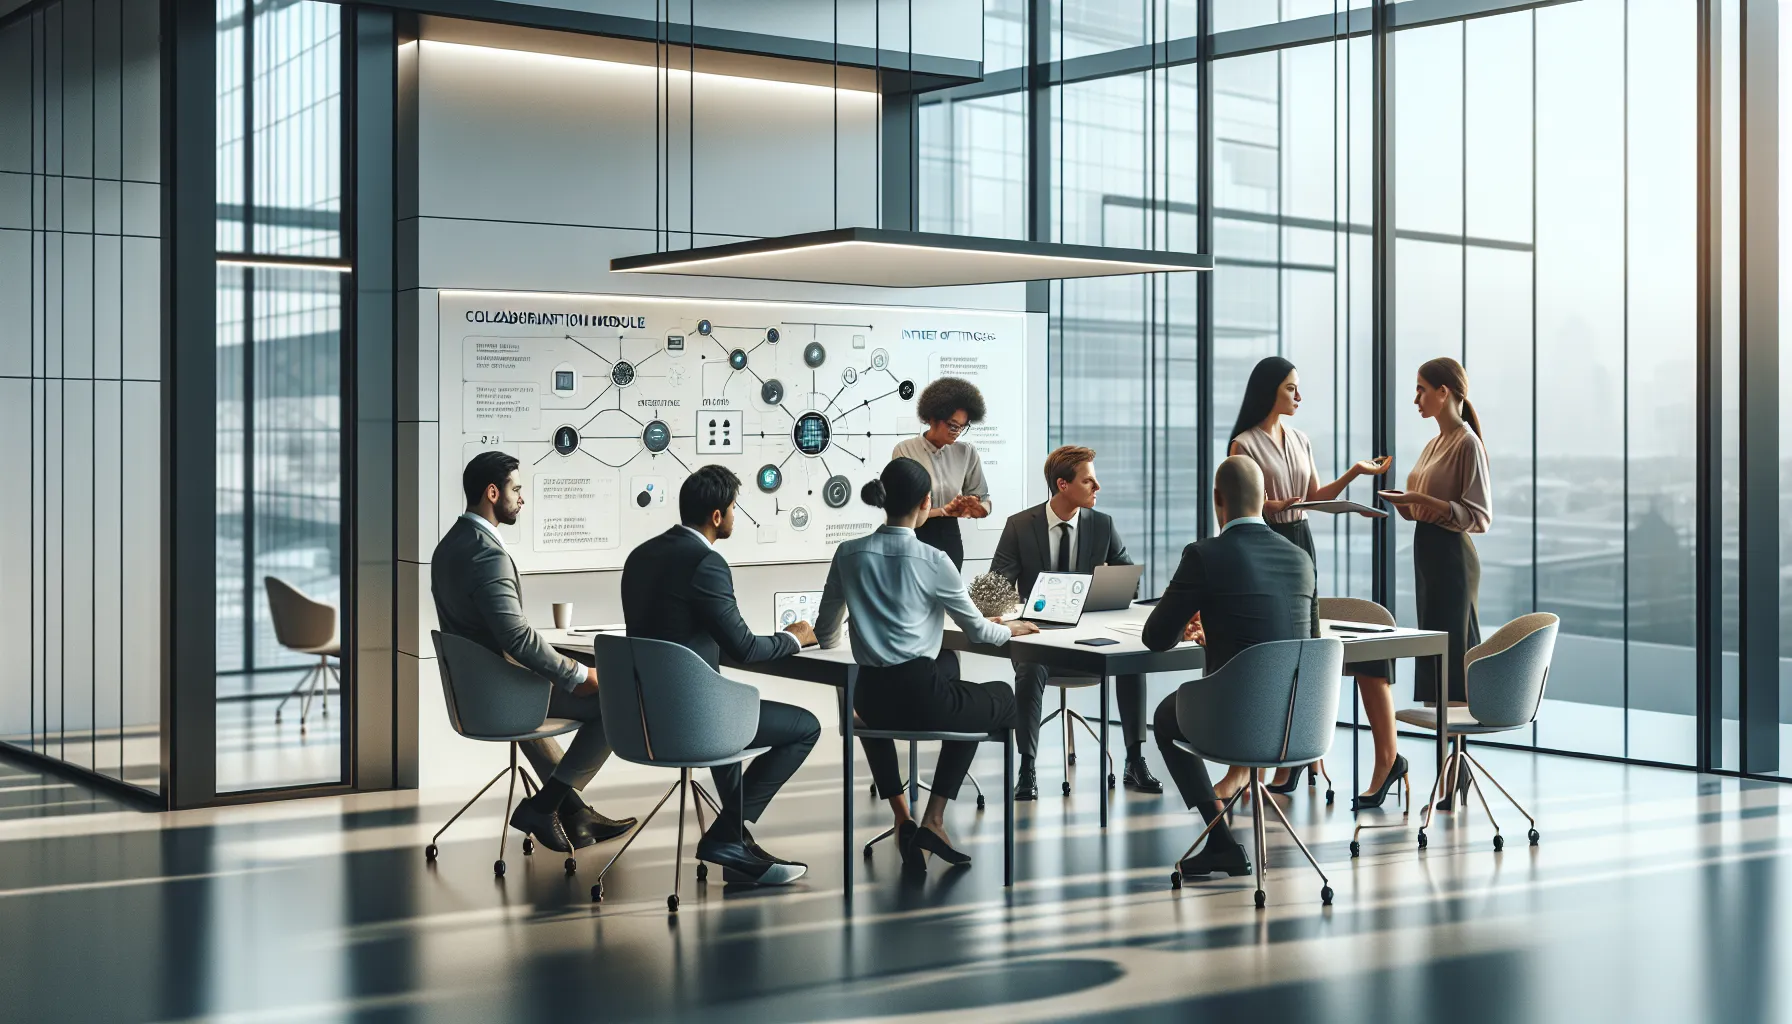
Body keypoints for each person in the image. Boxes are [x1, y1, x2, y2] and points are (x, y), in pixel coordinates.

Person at [815, 458, 1038, 870]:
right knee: (1001, 698)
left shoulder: (847, 553)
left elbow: (827, 632)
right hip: (920, 697)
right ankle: (934, 819)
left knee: (937, 677)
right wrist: (1012, 628)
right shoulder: (934, 560)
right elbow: (980, 633)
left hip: (867, 699)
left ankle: (902, 817)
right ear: (926, 502)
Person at [621, 465, 822, 887]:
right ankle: (726, 836)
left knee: (728, 705)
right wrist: (794, 637)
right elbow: (744, 648)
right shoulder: (705, 562)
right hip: (693, 721)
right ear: (717, 516)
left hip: (641, 718)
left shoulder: (639, 556)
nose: (735, 516)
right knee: (805, 726)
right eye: (733, 508)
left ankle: (738, 850)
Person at [431, 451, 637, 855]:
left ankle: (576, 813)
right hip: (503, 697)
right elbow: (517, 639)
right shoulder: (485, 554)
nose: (522, 499)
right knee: (620, 699)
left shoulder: (448, 547)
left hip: (477, 691)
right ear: (493, 492)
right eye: (516, 489)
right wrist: (578, 675)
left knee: (556, 687)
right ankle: (544, 806)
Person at [1140, 456, 1318, 880]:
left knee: (1166, 717)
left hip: (1236, 723)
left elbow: (1155, 638)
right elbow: (1305, 644)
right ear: (1263, 500)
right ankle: (1221, 840)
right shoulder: (1300, 558)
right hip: (1300, 723)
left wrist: (1189, 621)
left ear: (1218, 499)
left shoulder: (1205, 554)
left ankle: (1220, 842)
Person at [1226, 355, 1390, 801]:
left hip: (1300, 540)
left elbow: (1314, 497)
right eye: (1291, 388)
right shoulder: (1244, 444)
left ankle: (1298, 751)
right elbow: (1241, 505)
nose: (1299, 396)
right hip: (1265, 542)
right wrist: (1272, 507)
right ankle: (1271, 754)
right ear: (1269, 391)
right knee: (1277, 645)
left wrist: (1356, 473)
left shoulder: (1300, 438)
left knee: (1308, 640)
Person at [990, 445, 1161, 800]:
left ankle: (1135, 759)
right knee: (1031, 665)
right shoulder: (1020, 526)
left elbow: (1131, 580)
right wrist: (1018, 610)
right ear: (1062, 484)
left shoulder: (1102, 525)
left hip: (1089, 637)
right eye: (1089, 481)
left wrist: (1105, 587)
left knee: (1132, 661)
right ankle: (1028, 767)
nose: (1097, 488)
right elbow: (997, 589)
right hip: (1040, 635)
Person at [1374, 356, 1491, 810]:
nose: (1416, 397)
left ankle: (1454, 773)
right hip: (1429, 554)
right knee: (1439, 663)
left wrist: (1423, 500)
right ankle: (1452, 771)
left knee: (1454, 660)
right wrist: (1409, 505)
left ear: (1445, 391)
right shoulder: (1433, 443)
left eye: (1422, 388)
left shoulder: (1466, 444)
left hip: (1452, 558)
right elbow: (1426, 504)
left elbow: (1478, 517)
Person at [891, 376, 992, 570]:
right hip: (915, 537)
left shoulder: (967, 452)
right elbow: (902, 509)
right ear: (931, 418)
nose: (958, 432)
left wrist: (978, 509)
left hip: (950, 539)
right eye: (953, 425)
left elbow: (984, 498)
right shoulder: (905, 451)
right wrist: (943, 511)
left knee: (949, 598)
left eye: (963, 426)